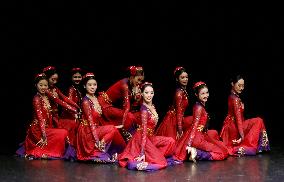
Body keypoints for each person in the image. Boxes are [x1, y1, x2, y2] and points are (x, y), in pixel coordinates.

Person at [118, 82, 176, 171]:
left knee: (171, 141)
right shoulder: (144, 110)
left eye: (151, 93)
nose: (149, 95)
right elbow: (144, 132)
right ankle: (147, 159)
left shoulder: (152, 106)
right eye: (146, 92)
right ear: (142, 94)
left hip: (150, 138)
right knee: (162, 162)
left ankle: (151, 156)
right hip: (142, 138)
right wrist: (142, 153)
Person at [16, 73, 71, 160]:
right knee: (62, 132)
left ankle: (51, 150)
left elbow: (61, 101)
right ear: (36, 85)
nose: (43, 87)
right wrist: (44, 136)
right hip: (38, 130)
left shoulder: (47, 95)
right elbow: (40, 118)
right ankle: (46, 151)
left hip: (46, 127)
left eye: (45, 85)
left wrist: (75, 109)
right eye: (40, 85)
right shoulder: (37, 99)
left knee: (64, 132)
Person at [76, 73, 126, 162]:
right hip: (88, 132)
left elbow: (99, 120)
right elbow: (91, 122)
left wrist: (116, 126)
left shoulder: (95, 98)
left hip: (95, 128)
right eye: (89, 85)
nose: (92, 87)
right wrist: (97, 140)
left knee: (113, 129)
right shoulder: (86, 102)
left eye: (94, 85)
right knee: (112, 129)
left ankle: (122, 151)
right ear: (84, 86)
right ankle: (99, 148)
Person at [174, 81, 228, 162]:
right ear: (196, 95)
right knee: (221, 153)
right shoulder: (199, 108)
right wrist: (188, 144)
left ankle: (196, 152)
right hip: (197, 139)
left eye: (207, 92)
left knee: (221, 147)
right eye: (202, 94)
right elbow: (194, 126)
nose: (206, 95)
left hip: (200, 136)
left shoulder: (199, 105)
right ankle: (197, 153)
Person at [220, 74, 270, 156]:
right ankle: (254, 146)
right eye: (239, 85)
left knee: (257, 121)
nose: (241, 88)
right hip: (235, 126)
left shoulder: (232, 96)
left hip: (231, 126)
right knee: (259, 121)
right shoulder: (235, 99)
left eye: (243, 86)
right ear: (232, 84)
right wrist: (241, 136)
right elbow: (238, 119)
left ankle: (258, 146)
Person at [97, 65, 144, 141]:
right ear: (132, 77)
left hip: (110, 105)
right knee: (130, 116)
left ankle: (131, 137)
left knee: (134, 116)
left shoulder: (132, 85)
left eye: (141, 81)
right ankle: (129, 137)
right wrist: (123, 124)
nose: (139, 83)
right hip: (105, 106)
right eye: (138, 80)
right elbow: (127, 107)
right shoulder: (124, 85)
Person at [42, 66, 80, 146]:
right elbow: (59, 101)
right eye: (53, 79)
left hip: (55, 116)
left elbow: (65, 98)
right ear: (47, 78)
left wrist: (77, 106)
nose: (55, 82)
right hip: (49, 117)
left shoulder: (55, 88)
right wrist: (74, 110)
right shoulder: (46, 90)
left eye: (56, 80)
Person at [156, 66, 193, 140]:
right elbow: (179, 112)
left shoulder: (183, 91)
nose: (185, 79)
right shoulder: (179, 93)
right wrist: (179, 129)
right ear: (177, 79)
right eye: (182, 77)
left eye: (186, 77)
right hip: (173, 120)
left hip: (178, 118)